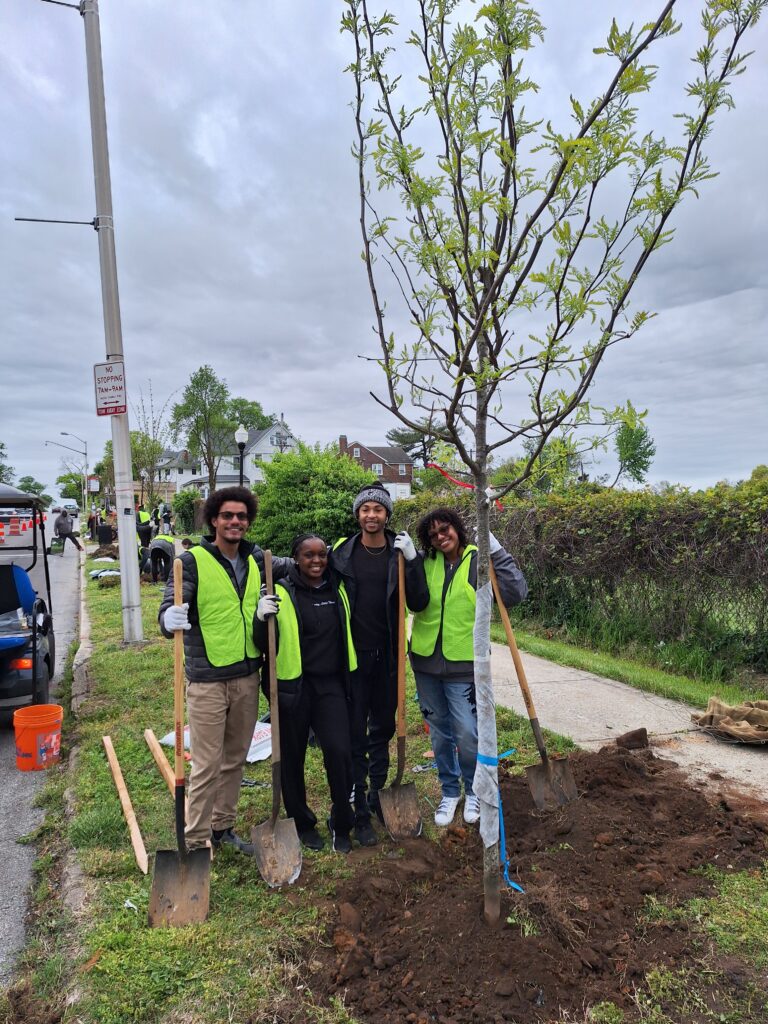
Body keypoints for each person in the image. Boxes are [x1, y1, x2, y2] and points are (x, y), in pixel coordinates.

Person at [158, 486, 290, 853]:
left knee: (234, 759)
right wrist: (168, 619)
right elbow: (168, 608)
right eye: (228, 516)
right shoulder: (192, 561)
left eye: (242, 516)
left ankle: (222, 827)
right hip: (207, 681)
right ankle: (196, 839)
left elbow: (302, 563)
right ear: (214, 520)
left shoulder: (257, 559)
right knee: (205, 765)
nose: (236, 522)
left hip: (248, 675)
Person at [407, 507, 528, 826]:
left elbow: (516, 593)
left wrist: (498, 550)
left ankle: (474, 792)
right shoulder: (426, 563)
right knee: (439, 734)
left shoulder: (478, 560)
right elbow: (411, 599)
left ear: (458, 529)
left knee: (467, 733)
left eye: (444, 530)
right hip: (426, 663)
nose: (440, 537)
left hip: (466, 664)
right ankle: (450, 792)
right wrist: (408, 561)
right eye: (432, 534)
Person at [330, 482, 428, 845]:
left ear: (387, 515)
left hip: (388, 660)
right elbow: (310, 576)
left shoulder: (398, 555)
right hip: (353, 660)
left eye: (378, 510)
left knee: (382, 730)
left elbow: (417, 601)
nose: (372, 515)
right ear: (358, 514)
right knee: (355, 733)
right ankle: (358, 807)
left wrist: (414, 560)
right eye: (365, 509)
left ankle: (376, 796)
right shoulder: (341, 554)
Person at [257, 534, 357, 854]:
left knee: (339, 752)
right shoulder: (282, 592)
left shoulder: (338, 589)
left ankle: (342, 822)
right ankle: (301, 823)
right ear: (295, 559)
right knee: (291, 758)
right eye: (308, 556)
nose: (316, 561)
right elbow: (263, 643)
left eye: (321, 555)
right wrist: (261, 617)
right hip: (293, 687)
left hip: (331, 686)